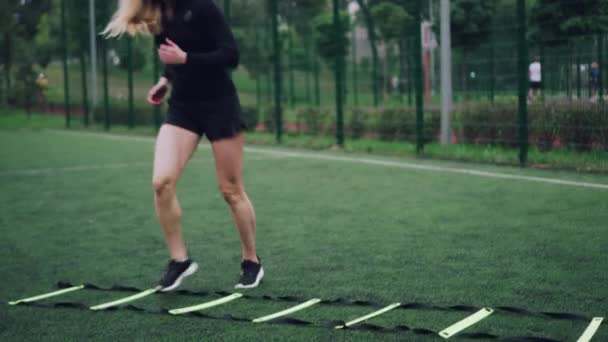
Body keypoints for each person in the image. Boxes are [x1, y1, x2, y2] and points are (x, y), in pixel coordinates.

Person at [103, 0, 263, 291]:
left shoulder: (203, 7)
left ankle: (251, 260)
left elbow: (231, 55)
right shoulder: (158, 14)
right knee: (161, 182)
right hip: (183, 108)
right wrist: (165, 79)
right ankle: (180, 261)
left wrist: (186, 59)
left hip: (220, 105)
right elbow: (170, 58)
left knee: (231, 190)